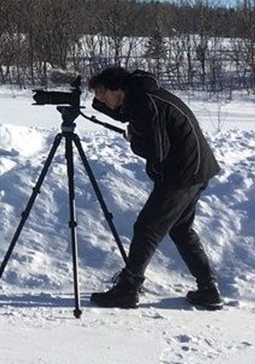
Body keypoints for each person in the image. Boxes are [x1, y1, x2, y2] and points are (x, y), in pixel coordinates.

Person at [86, 66, 223, 310]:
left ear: (118, 89)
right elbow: (126, 114)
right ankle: (208, 290)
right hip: (195, 169)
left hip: (182, 173)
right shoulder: (141, 94)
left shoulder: (143, 103)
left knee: (147, 227)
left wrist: (134, 139)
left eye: (101, 93)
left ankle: (128, 288)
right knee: (180, 230)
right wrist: (97, 106)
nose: (99, 99)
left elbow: (155, 150)